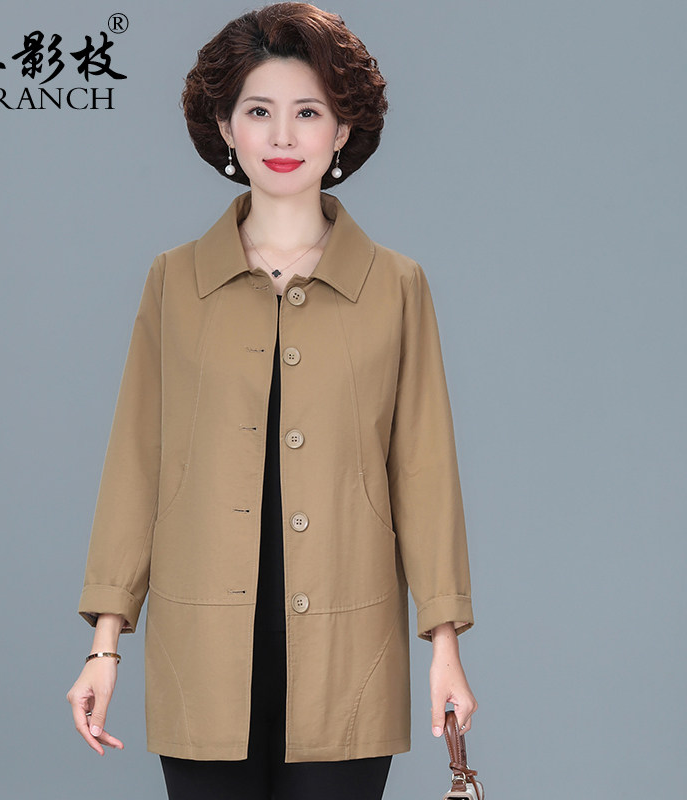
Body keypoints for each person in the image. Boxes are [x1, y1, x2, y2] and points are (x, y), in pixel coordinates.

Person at [66, 3, 477, 799]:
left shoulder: (396, 287)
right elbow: (136, 465)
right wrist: (104, 645)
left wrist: (445, 645)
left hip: (350, 656)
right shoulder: (174, 281)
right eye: (259, 111)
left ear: (343, 128)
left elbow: (424, 473)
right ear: (225, 126)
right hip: (200, 651)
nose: (283, 136)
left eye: (308, 113)